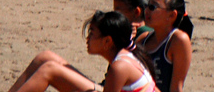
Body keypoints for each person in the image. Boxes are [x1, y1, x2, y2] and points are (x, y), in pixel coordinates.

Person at [8, 10, 158, 92]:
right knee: (45, 58)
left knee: (49, 70)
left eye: (92, 33)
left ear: (107, 41)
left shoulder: (119, 67)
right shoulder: (126, 53)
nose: (88, 38)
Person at [136, 0, 193, 92]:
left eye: (152, 7)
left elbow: (176, 88)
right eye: (147, 6)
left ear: (171, 15)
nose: (147, 11)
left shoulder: (178, 41)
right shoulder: (143, 39)